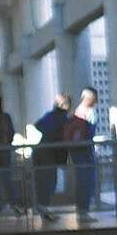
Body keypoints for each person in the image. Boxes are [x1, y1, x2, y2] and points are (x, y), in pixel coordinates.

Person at [32, 93, 71, 221]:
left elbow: (38, 125)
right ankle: (43, 208)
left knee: (42, 182)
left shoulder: (50, 115)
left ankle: (42, 208)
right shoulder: (64, 119)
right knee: (49, 181)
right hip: (49, 154)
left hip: (40, 151)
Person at [67, 87, 99, 223]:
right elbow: (90, 133)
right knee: (87, 180)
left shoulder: (77, 111)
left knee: (82, 180)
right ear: (91, 98)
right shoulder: (89, 112)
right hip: (85, 151)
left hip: (76, 151)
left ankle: (82, 210)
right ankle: (83, 211)